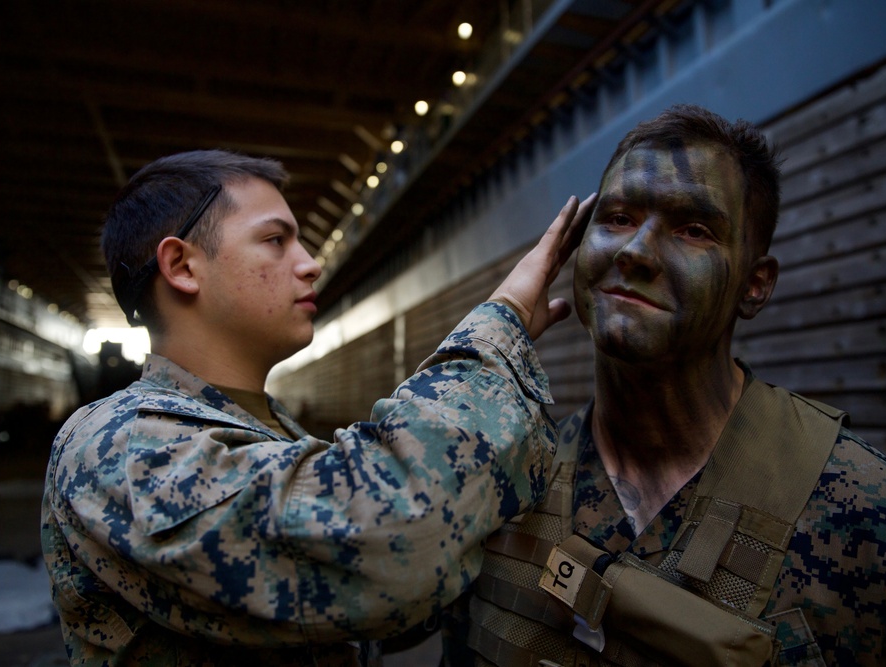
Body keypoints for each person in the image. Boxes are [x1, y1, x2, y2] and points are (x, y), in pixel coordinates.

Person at [40, 148, 597, 666]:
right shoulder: (119, 444)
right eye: (276, 240)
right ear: (183, 266)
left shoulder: (263, 429)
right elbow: (388, 543)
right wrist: (499, 328)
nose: (310, 264)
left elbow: (364, 614)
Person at [444, 104, 886, 666]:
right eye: (615, 217)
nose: (635, 251)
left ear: (755, 286)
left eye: (694, 229)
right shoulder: (504, 493)